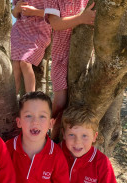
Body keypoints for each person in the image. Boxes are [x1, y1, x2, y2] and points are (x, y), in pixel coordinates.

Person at [44, 0, 96, 140]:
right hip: (60, 58)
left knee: (78, 102)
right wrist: (81, 18)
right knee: (60, 102)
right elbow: (55, 23)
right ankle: (49, 137)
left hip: (83, 60)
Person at [6, 91, 70, 182]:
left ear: (51, 123)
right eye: (28, 116)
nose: (35, 121)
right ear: (19, 122)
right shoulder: (6, 149)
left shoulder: (57, 155)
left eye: (42, 116)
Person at [60, 106, 117, 183]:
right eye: (71, 135)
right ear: (64, 134)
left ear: (94, 137)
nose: (78, 142)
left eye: (84, 136)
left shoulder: (102, 163)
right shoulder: (54, 153)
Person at [11, 0, 52, 94]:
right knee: (16, 65)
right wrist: (17, 9)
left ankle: (31, 99)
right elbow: (15, 13)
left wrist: (34, 12)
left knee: (25, 62)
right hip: (20, 31)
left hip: (39, 32)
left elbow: (55, 14)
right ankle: (13, 100)